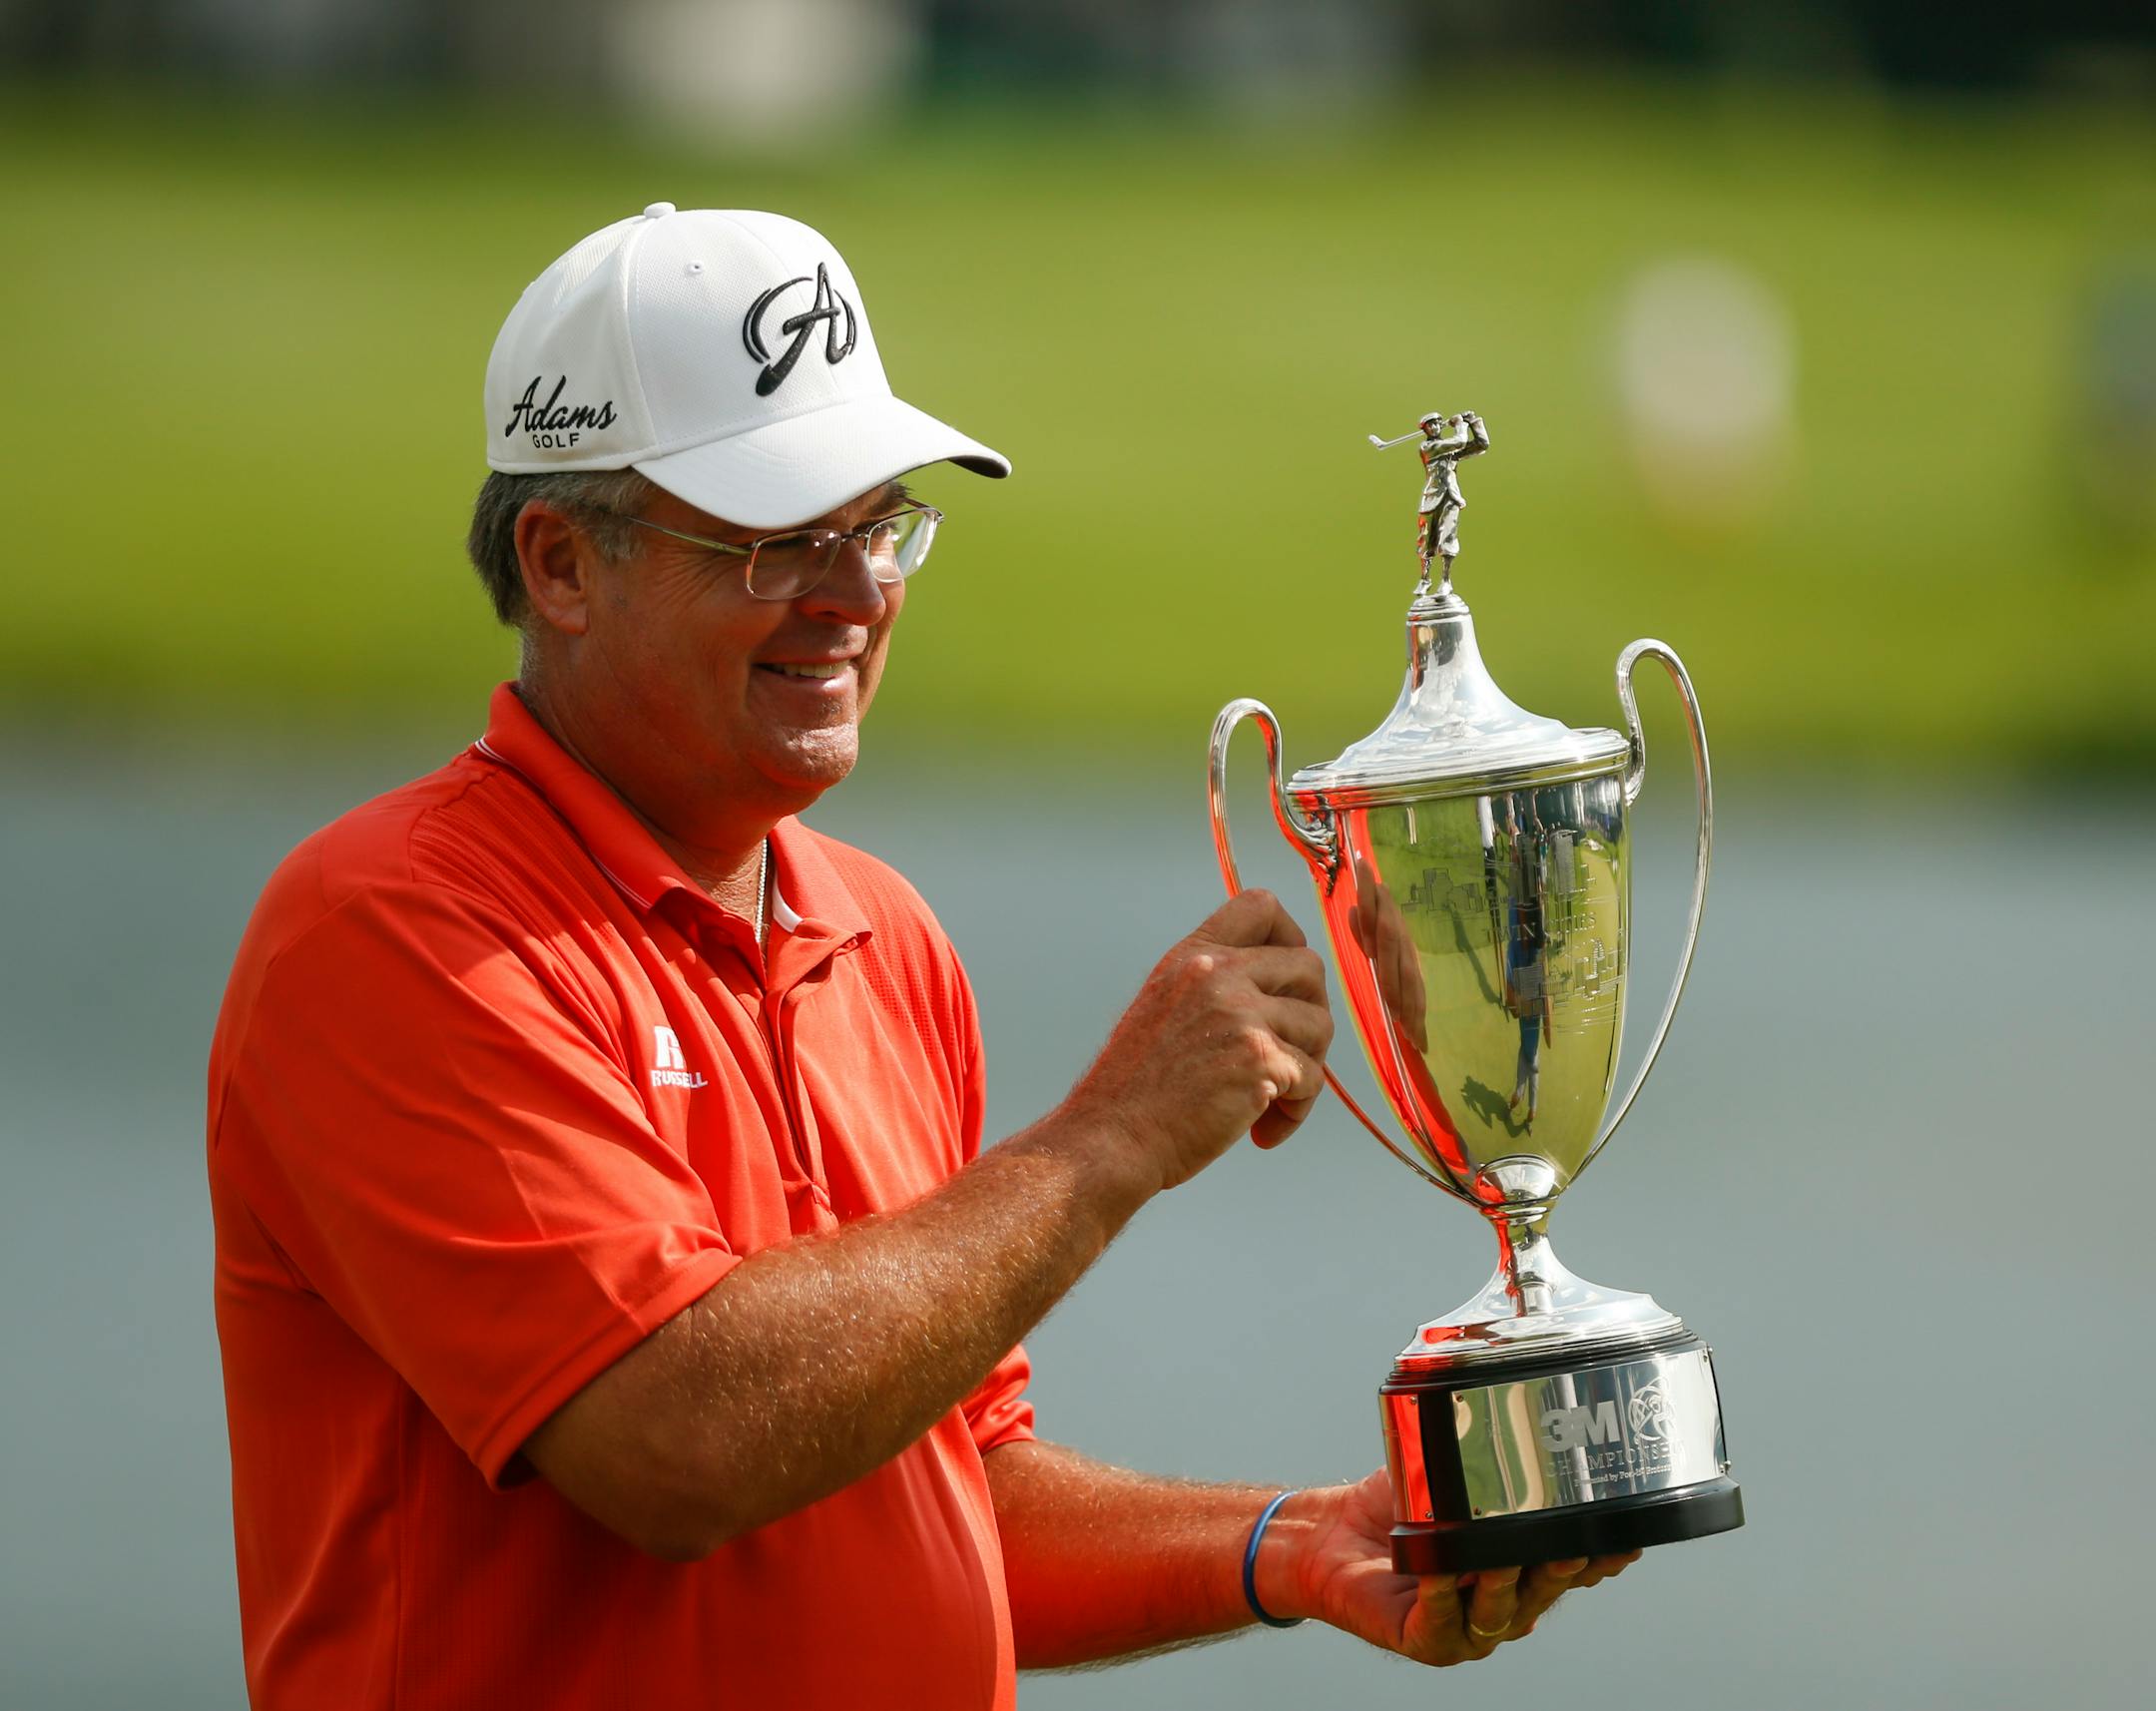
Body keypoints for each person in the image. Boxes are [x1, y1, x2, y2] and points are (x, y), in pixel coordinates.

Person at [207, 205, 1633, 1711]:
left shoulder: (885, 937)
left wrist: (1290, 1544)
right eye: (773, 541)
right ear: (562, 563)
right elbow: (680, 1440)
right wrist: (1112, 1137)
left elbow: (936, 1477)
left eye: (878, 522)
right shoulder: (395, 929)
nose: (857, 591)